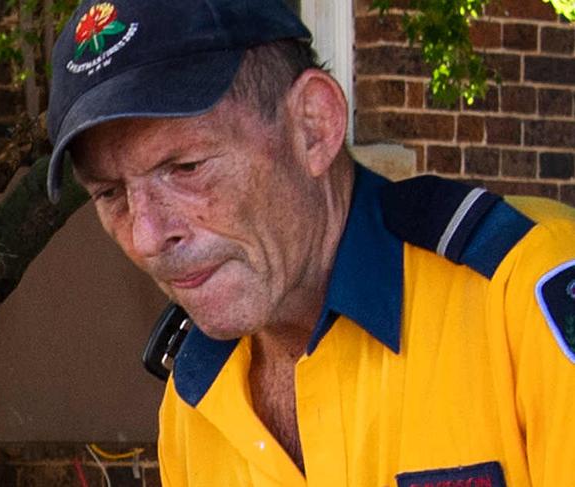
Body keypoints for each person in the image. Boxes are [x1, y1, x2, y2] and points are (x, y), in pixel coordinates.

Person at [46, 0, 575, 485]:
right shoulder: (193, 400)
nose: (148, 236)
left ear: (314, 127)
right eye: (111, 194)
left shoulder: (522, 283)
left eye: (185, 168)